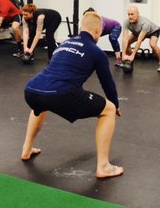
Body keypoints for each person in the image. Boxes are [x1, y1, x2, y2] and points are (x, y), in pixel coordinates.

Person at [21, 11, 123, 179]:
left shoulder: (64, 43)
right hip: (61, 94)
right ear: (98, 31)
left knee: (40, 105)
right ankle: (104, 166)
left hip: (32, 89)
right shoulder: (96, 52)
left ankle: (26, 149)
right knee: (109, 109)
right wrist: (116, 104)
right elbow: (107, 83)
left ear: (81, 27)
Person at [121, 5, 160, 72]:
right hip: (138, 32)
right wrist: (123, 54)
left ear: (138, 14)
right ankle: (129, 60)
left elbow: (139, 41)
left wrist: (133, 55)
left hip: (153, 31)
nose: (130, 16)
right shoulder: (126, 22)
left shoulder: (145, 23)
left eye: (132, 14)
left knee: (152, 44)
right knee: (127, 41)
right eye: (129, 14)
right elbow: (125, 39)